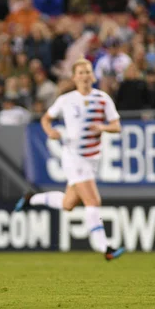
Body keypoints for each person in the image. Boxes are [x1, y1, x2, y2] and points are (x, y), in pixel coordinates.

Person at [14, 58, 125, 261]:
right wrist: (50, 131)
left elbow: (116, 126)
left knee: (68, 204)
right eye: (80, 73)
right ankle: (105, 248)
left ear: (92, 75)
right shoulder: (66, 100)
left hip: (92, 158)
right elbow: (46, 119)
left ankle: (32, 199)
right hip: (73, 156)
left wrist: (102, 127)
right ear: (74, 77)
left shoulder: (103, 98)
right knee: (93, 200)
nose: (84, 76)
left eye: (87, 72)